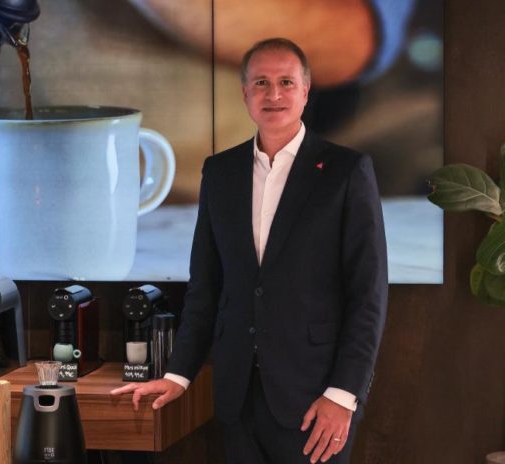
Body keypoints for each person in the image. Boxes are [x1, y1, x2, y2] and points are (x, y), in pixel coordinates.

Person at [111, 38, 388, 464]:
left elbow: (368, 295)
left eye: (286, 82)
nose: (273, 94)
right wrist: (178, 374)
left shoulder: (347, 171)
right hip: (237, 396)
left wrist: (343, 394)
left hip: (317, 398)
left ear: (306, 90)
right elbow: (206, 287)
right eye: (261, 82)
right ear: (245, 93)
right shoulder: (220, 172)